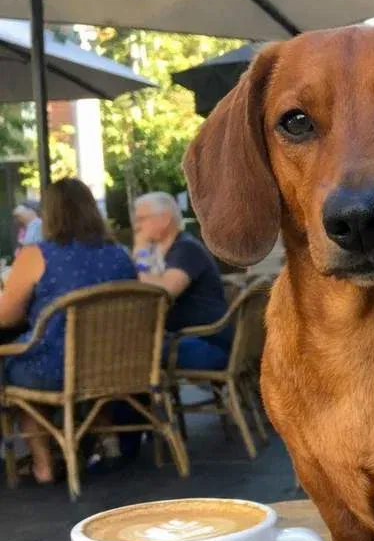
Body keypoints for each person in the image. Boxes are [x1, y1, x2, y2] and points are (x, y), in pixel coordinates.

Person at [0, 179, 136, 484]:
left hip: (57, 369)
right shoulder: (119, 253)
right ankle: (108, 442)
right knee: (76, 359)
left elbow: (6, 317)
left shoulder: (37, 255)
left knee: (15, 367)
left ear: (50, 213)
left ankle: (43, 465)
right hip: (119, 364)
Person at [132, 192, 232, 370]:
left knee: (134, 350)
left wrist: (140, 253)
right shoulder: (161, 253)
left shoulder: (186, 249)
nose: (137, 226)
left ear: (165, 219)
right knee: (131, 345)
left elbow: (165, 291)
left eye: (142, 219)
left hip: (208, 344)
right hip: (184, 339)